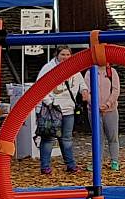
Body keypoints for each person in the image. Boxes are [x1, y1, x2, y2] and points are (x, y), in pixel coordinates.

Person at [36, 46, 88, 175]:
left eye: (68, 55)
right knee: (48, 138)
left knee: (67, 138)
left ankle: (70, 165)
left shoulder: (74, 68)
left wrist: (84, 91)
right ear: (57, 55)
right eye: (62, 54)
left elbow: (81, 83)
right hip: (52, 109)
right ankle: (45, 166)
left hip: (68, 109)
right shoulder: (48, 68)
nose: (65, 57)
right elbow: (40, 87)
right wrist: (50, 103)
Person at [83, 63, 121, 171]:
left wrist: (108, 104)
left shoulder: (112, 72)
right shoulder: (89, 73)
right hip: (94, 110)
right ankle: (97, 162)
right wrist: (95, 104)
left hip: (110, 110)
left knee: (112, 136)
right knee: (97, 137)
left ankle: (114, 160)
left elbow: (115, 90)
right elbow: (86, 90)